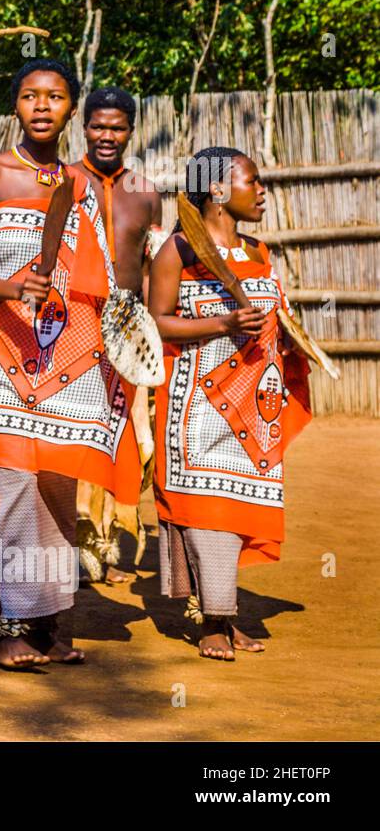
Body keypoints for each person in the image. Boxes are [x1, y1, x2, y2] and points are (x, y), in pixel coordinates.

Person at [0, 59, 139, 670]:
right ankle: (3, 619)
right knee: (11, 480)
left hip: (62, 354)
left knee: (56, 479)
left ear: (71, 112)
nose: (41, 106)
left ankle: (49, 617)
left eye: (55, 97)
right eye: (29, 95)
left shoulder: (81, 186)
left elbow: (97, 274)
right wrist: (14, 288)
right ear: (15, 107)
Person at [148, 146, 310, 661]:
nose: (261, 191)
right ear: (218, 190)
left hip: (251, 406)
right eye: (252, 181)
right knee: (205, 507)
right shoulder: (179, 250)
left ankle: (223, 611)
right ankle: (213, 620)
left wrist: (287, 342)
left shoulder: (260, 252)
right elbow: (156, 321)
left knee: (236, 506)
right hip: (195, 404)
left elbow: (271, 318)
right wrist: (221, 323)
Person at [68, 87, 162, 584]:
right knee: (77, 430)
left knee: (122, 431)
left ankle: (107, 535)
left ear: (130, 130)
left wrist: (152, 328)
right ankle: (75, 539)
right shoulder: (64, 183)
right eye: (99, 126)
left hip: (128, 327)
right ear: (84, 128)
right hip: (74, 323)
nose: (107, 136)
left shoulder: (145, 192)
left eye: (117, 127)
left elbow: (150, 267)